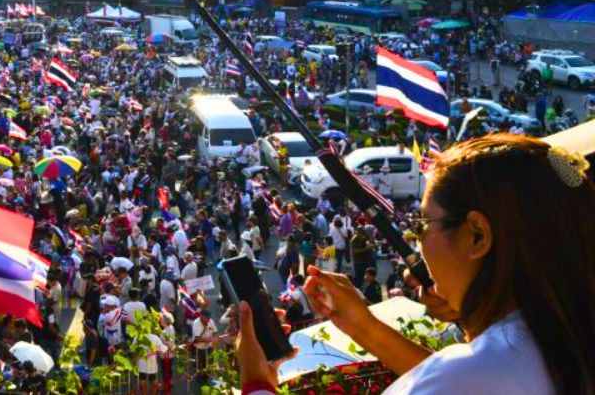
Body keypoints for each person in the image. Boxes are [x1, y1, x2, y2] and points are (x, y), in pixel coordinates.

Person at [234, 134, 595, 394]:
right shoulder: (563, 334)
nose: (416, 245)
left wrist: (257, 384)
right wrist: (365, 327)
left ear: (477, 236)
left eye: (423, 226)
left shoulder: (468, 374)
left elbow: (463, 380)